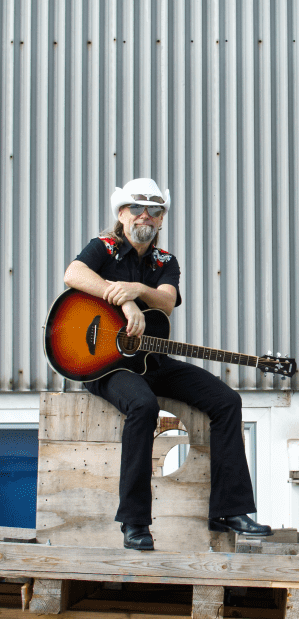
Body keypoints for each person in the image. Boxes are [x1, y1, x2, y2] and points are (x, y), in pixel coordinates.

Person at [64, 177, 272, 550]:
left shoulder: (165, 261)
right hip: (104, 365)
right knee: (142, 406)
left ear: (161, 219)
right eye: (137, 207)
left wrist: (137, 291)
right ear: (121, 213)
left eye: (155, 210)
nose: (145, 215)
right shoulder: (104, 248)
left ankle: (230, 511)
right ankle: (134, 522)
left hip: (150, 359)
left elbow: (165, 300)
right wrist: (122, 303)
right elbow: (73, 274)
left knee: (227, 401)